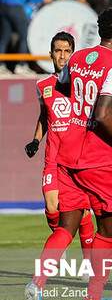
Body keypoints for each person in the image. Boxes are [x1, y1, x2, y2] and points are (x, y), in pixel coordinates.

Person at [24, 8, 112, 300]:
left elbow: (63, 90)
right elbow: (104, 114)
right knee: (111, 227)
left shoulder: (77, 60)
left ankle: (36, 285)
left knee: (67, 226)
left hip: (69, 157)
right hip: (101, 159)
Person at [24, 32, 94, 264]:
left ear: (72, 54)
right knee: (52, 207)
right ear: (51, 53)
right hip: (53, 157)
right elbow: (44, 116)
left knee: (83, 211)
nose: (62, 55)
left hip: (78, 158)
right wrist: (35, 140)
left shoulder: (81, 84)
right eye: (58, 50)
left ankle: (87, 262)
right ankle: (60, 243)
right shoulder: (42, 85)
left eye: (66, 51)